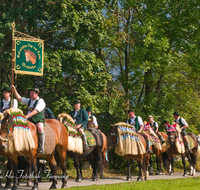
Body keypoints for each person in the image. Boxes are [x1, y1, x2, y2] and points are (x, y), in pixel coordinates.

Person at [11, 85, 46, 154]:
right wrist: (14, 89)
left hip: (38, 119)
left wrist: (27, 115)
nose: (31, 94)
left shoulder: (41, 101)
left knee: (40, 128)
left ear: (37, 94)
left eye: (33, 93)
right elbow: (19, 98)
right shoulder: (29, 100)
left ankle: (42, 147)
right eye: (30, 93)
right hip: (28, 119)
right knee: (19, 127)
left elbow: (36, 110)